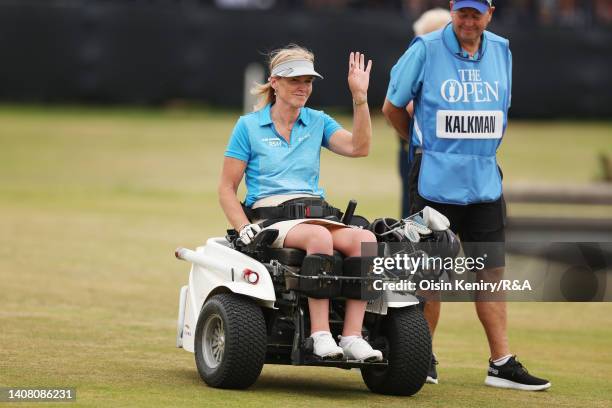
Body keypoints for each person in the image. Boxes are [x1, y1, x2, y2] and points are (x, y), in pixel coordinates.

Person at [382, 0, 551, 391]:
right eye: (463, 12)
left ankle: (501, 363)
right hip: (434, 182)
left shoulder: (502, 50)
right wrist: (423, 146)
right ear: (454, 10)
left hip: (484, 181)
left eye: (477, 14)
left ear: (490, 13)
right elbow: (392, 108)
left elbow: (500, 110)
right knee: (428, 275)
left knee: (490, 272)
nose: (469, 21)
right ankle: (421, 356)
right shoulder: (425, 48)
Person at [219, 44, 383, 362]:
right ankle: (319, 335)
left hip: (314, 214)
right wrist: (243, 227)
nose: (303, 88)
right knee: (319, 237)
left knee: (366, 240)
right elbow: (227, 188)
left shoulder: (317, 121)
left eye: (308, 81)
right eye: (295, 80)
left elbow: (359, 147)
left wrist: (360, 99)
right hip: (271, 218)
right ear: (275, 82)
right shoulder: (248, 126)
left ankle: (351, 336)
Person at [397, 8, 452, 219]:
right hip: (414, 151)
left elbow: (407, 107)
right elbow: (396, 106)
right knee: (412, 210)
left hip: (435, 154)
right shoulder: (417, 63)